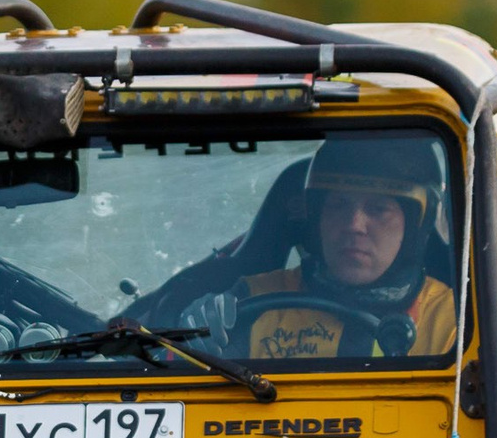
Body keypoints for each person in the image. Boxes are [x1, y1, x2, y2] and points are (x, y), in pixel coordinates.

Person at [179, 136, 457, 360]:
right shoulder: (248, 302)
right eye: (338, 205)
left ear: (415, 227)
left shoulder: (452, 320)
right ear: (315, 218)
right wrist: (193, 339)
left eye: (378, 208)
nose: (354, 224)